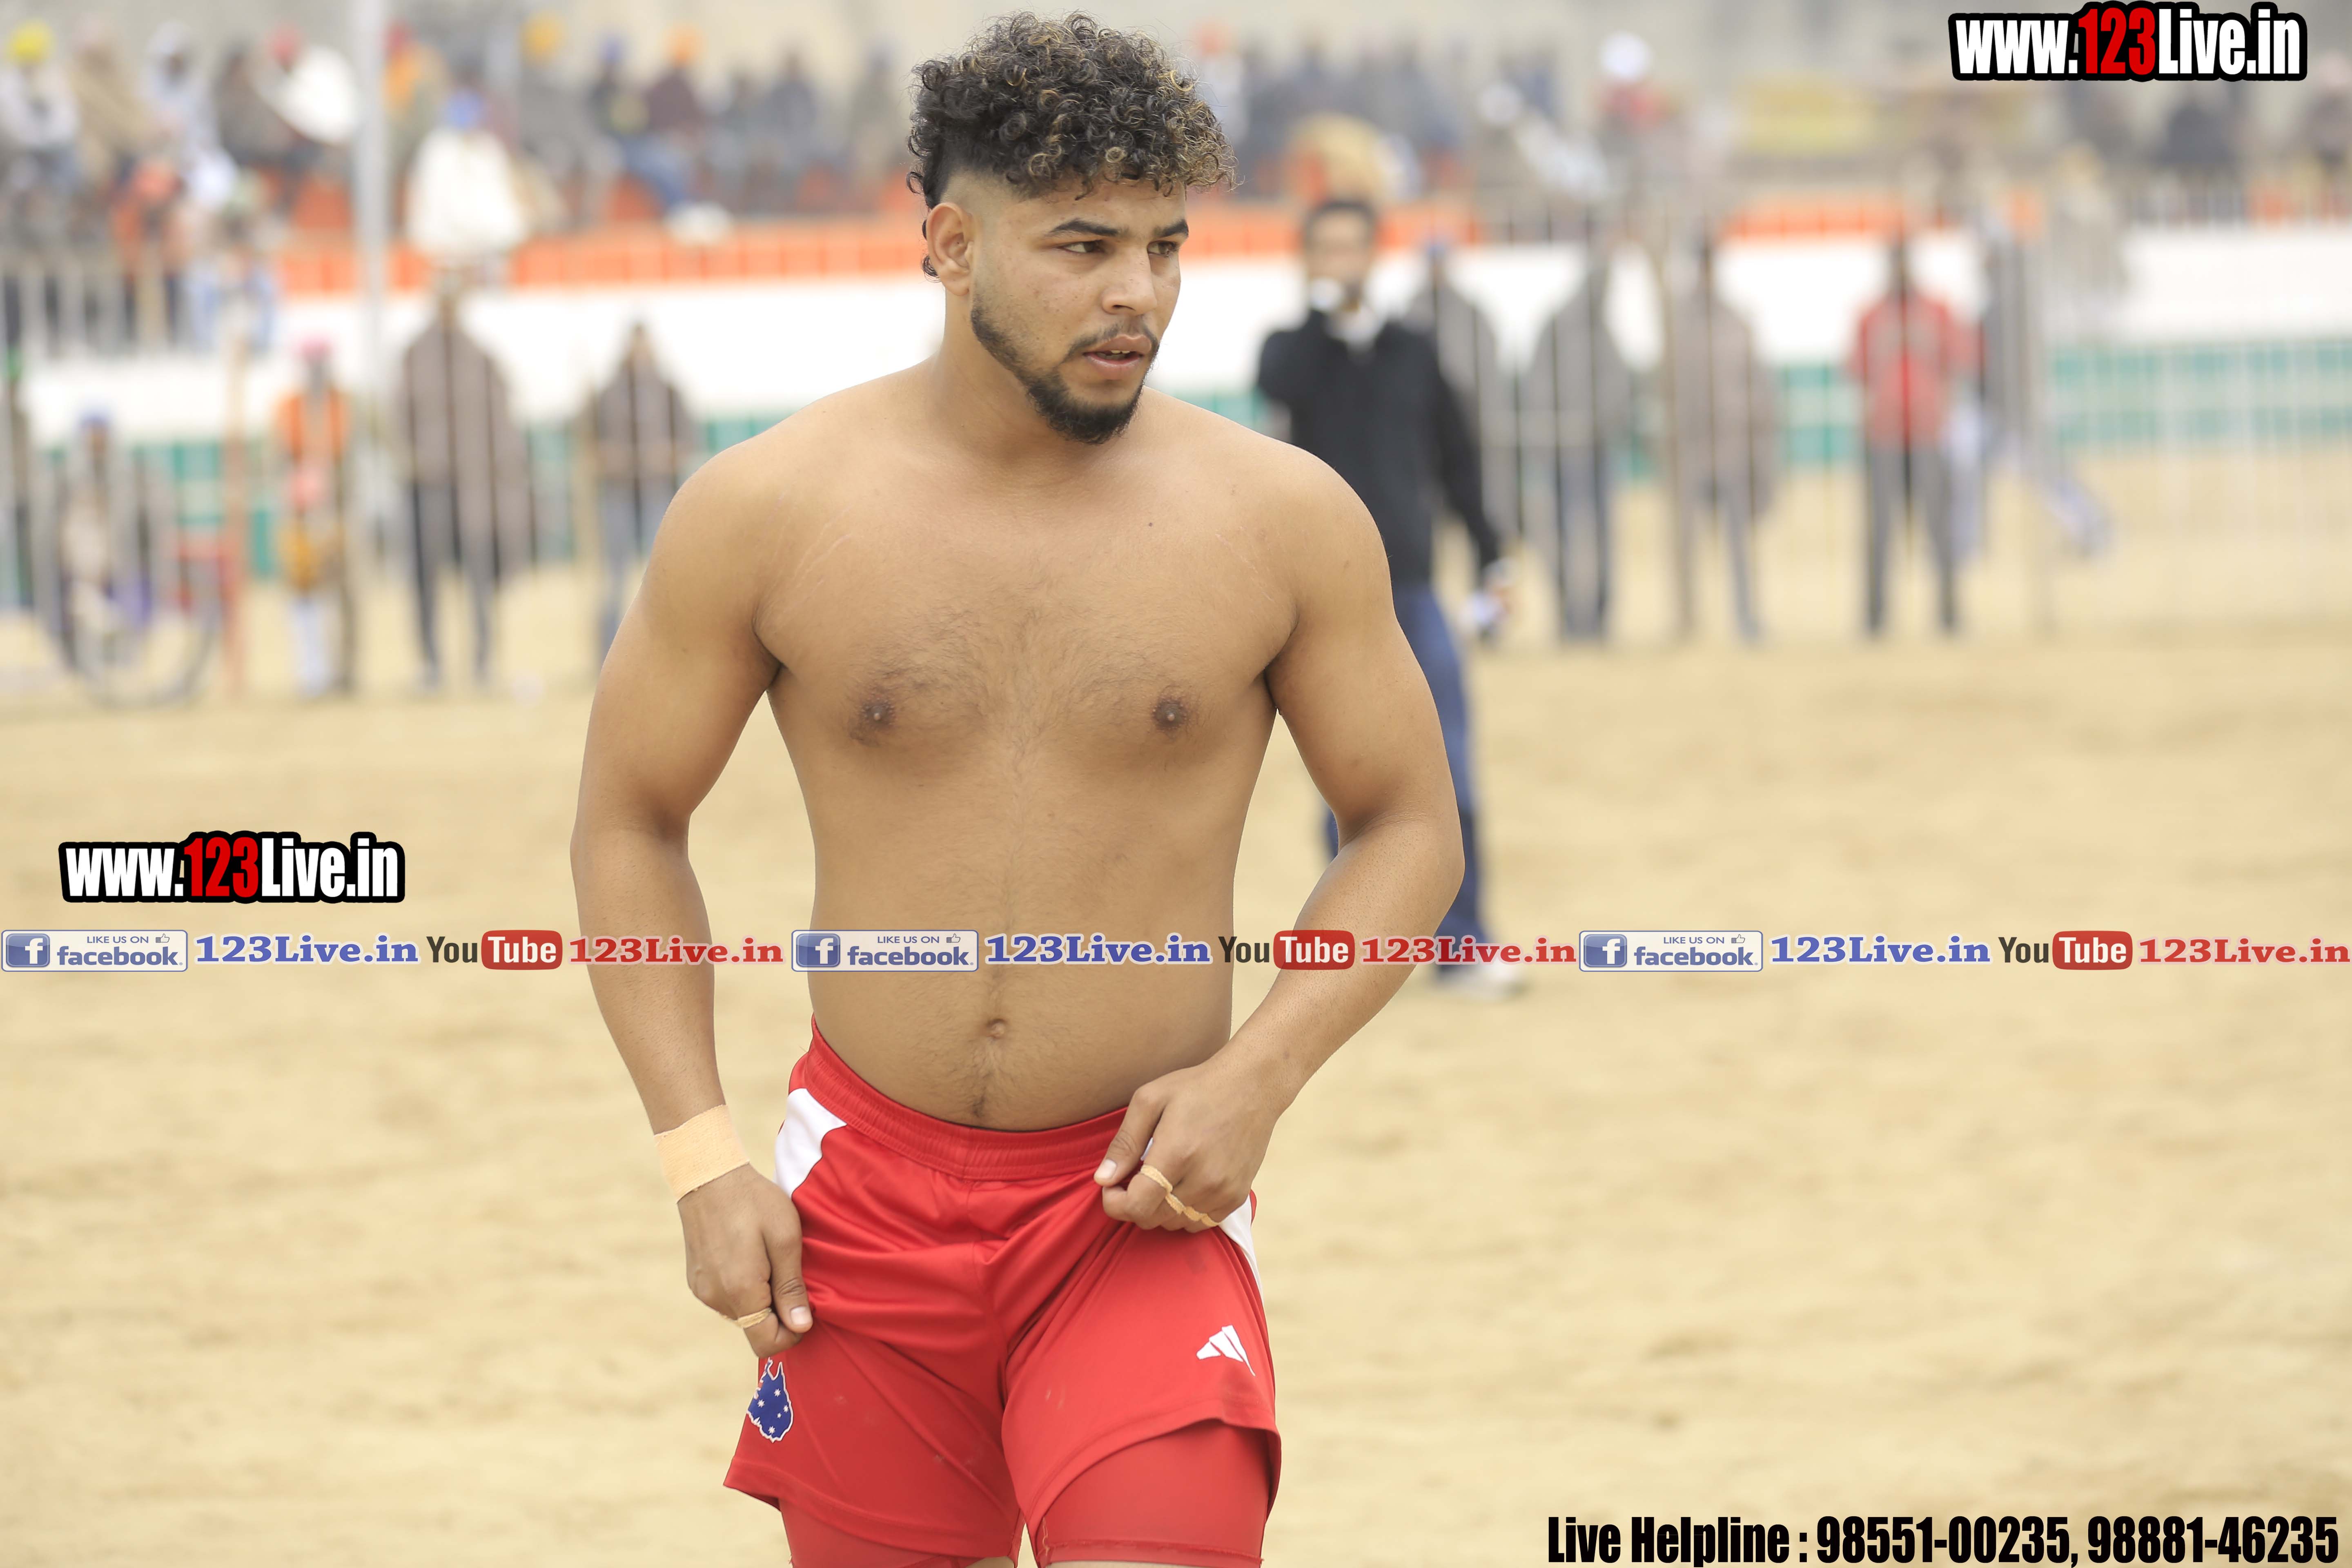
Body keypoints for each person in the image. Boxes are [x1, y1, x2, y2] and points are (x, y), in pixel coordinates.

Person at [570, 16, 1463, 1566]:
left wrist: (1258, 1075)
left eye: (1166, 247)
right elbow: (629, 821)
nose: (1138, 294)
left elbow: (1408, 823)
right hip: (858, 1202)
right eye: (1083, 246)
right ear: (949, 245)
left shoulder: (1280, 518)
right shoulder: (765, 509)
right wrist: (698, 1156)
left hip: (1138, 1205)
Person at [1256, 196, 1521, 998]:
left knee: (1449, 769)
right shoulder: (1293, 350)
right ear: (1308, 260)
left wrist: (1493, 555)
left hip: (1412, 591)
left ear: (1375, 255)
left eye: (1353, 247)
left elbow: (1458, 459)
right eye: (1327, 248)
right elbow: (1280, 388)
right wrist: (1326, 323)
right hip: (1325, 605)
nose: (1342, 261)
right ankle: (1353, 952)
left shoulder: (1412, 350)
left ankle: (1462, 945)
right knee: (1343, 779)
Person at [396, 281, 530, 689]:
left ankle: (482, 661)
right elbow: (397, 415)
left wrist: (503, 464)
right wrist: (411, 459)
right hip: (429, 482)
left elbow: (501, 414)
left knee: (479, 572)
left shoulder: (479, 356)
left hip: (475, 483)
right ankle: (431, 664)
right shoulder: (414, 356)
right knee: (427, 576)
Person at [1851, 234, 1975, 636]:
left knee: (1939, 530)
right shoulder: (1872, 315)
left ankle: (1949, 616)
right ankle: (1875, 620)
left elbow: (1960, 358)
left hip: (1927, 433)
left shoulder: (1936, 311)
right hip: (1885, 435)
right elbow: (1856, 367)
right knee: (1880, 533)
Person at [1664, 233, 1779, 642]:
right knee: (1686, 543)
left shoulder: (1737, 320)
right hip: (1691, 449)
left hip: (1732, 448)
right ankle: (1686, 620)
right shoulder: (1676, 322)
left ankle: (1746, 618)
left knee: (1738, 542)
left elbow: (1758, 384)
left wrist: (1760, 445)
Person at [1523, 234, 1632, 639]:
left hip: (1596, 448)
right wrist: (1556, 430)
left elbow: (1618, 388)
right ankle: (1569, 616)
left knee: (1601, 538)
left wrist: (1602, 422)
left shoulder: (1603, 332)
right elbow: (1538, 386)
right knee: (1562, 538)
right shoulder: (1557, 328)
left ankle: (1598, 617)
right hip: (1562, 449)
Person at [587, 321, 692, 660]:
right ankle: (607, 656)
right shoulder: (608, 394)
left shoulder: (668, 393)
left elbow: (686, 443)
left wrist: (665, 456)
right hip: (618, 493)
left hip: (657, 493)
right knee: (613, 579)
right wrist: (608, 458)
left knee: (661, 576)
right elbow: (590, 446)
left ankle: (665, 652)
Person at [273, 336, 355, 696]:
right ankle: (311, 671)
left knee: (343, 592)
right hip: (300, 514)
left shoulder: (345, 404)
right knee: (303, 593)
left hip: (339, 511)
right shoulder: (289, 407)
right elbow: (278, 455)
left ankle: (344, 671)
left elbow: (348, 450)